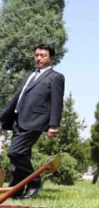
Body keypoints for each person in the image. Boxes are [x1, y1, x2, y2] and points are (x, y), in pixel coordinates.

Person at [0, 45, 65, 199]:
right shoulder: (31, 75)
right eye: (36, 55)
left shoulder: (55, 77)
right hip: (18, 120)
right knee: (18, 160)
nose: (38, 58)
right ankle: (15, 192)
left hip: (35, 121)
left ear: (51, 58)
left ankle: (35, 181)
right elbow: (18, 98)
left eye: (43, 55)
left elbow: (57, 102)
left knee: (15, 153)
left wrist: (54, 125)